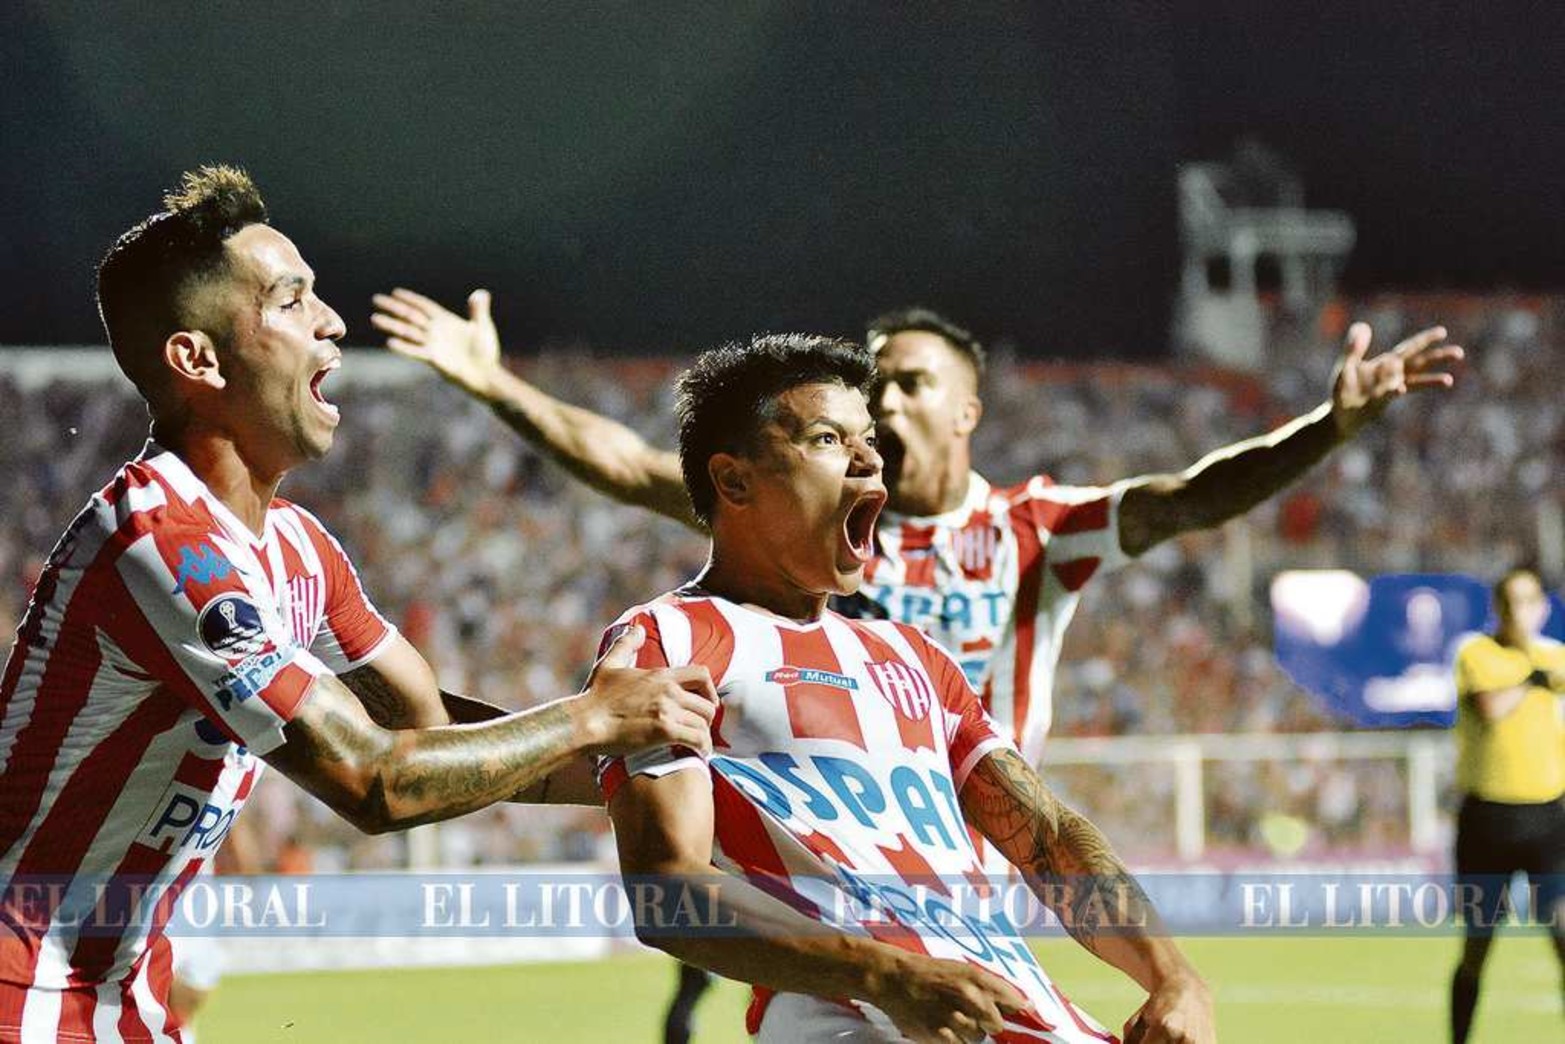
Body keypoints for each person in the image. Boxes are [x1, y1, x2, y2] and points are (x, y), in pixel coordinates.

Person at [370, 289, 1462, 1038]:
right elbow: (625, 469)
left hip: (975, 896)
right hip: (839, 941)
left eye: (899, 395)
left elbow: (1186, 504)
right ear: (738, 484)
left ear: (967, 409)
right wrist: (496, 385)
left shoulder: (1013, 549)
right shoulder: (692, 625)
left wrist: (1174, 974)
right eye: (850, 419)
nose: (878, 429)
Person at [0, 166, 724, 1041]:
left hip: (124, 1006)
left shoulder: (297, 547)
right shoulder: (160, 541)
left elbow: (428, 731)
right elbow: (374, 781)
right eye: (290, 299)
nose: (331, 321)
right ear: (197, 360)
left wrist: (691, 766)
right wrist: (593, 719)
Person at [598, 333, 1215, 1042]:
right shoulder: (668, 640)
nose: (869, 459)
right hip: (854, 1016)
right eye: (828, 439)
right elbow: (667, 890)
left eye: (867, 440)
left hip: (1015, 1015)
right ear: (734, 481)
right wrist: (886, 976)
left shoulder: (911, 656)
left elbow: (1044, 837)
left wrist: (1174, 976)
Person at [1448, 568, 1565, 1044]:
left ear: (1543, 607)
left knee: (1564, 936)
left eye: (1529, 600)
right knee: (1477, 947)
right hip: (1488, 823)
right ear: (1498, 608)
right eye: (1511, 602)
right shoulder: (1478, 653)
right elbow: (1491, 709)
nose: (1520, 611)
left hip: (1548, 820)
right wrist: (1532, 679)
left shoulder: (1558, 658)